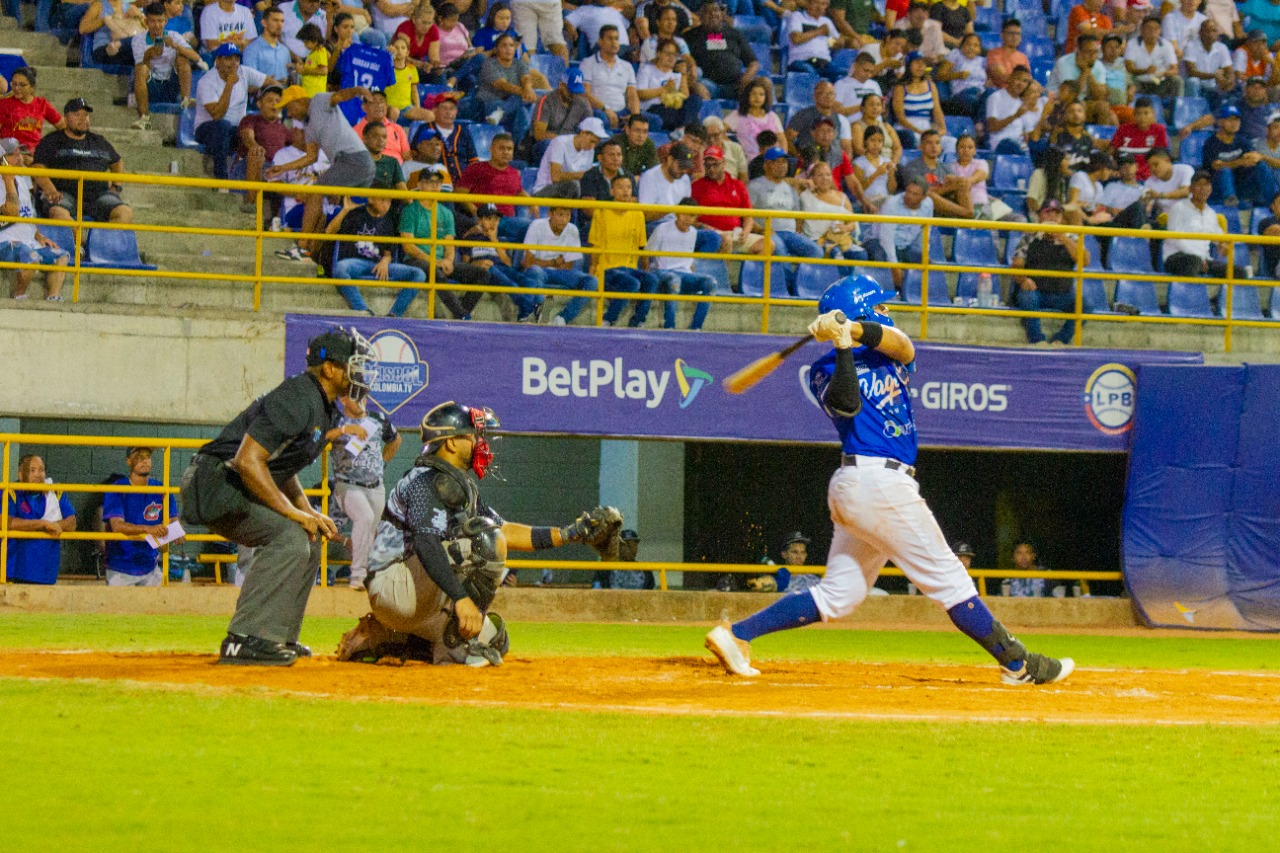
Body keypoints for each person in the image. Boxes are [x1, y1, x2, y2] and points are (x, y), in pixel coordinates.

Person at [704, 276, 1074, 686]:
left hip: (868, 487)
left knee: (839, 596)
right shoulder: (823, 369)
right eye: (877, 306)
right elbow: (846, 403)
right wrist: (842, 344)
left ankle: (736, 635)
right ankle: (1018, 664)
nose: (886, 310)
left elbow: (902, 343)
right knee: (949, 578)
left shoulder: (892, 353)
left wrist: (852, 328)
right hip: (873, 482)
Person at [334, 402, 617, 665]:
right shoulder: (426, 480)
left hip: (416, 590)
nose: (479, 442)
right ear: (450, 442)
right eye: (471, 436)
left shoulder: (457, 482)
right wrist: (462, 599)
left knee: (495, 637)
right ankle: (456, 647)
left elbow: (504, 531)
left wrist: (570, 534)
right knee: (484, 541)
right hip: (395, 583)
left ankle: (386, 639)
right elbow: (426, 542)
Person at [179, 326, 375, 665]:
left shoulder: (322, 405)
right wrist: (291, 513)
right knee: (288, 538)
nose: (360, 372)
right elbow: (248, 460)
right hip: (214, 481)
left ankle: (277, 634)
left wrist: (306, 511)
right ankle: (245, 638)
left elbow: (281, 467)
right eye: (353, 364)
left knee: (309, 538)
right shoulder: (299, 396)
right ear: (329, 368)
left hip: (232, 481)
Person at [268, 85, 377, 255]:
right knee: (321, 206)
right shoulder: (309, 127)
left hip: (353, 159)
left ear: (300, 101)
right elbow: (310, 157)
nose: (289, 114)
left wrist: (357, 90)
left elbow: (340, 96)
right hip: (352, 162)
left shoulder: (318, 100)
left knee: (316, 193)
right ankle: (308, 253)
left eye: (289, 107)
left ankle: (301, 246)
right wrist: (282, 168)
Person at [399, 166, 505, 319]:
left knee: (482, 275)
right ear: (420, 185)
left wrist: (448, 261)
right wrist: (436, 261)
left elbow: (449, 244)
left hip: (441, 261)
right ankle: (462, 315)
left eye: (437, 183)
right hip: (416, 260)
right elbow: (408, 247)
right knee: (436, 272)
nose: (435, 186)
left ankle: (460, 314)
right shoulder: (410, 211)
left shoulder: (446, 213)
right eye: (429, 182)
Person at [328, 397, 400, 591]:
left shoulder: (378, 418)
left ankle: (367, 574)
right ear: (343, 399)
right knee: (365, 517)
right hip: (347, 484)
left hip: (376, 485)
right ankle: (358, 575)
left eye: (363, 395)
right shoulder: (336, 419)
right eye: (355, 395)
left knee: (370, 530)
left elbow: (395, 440)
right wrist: (345, 431)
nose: (361, 400)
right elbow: (319, 437)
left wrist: (383, 463)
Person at [32, 99, 133, 225]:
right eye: (77, 115)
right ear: (66, 118)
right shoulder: (51, 140)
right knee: (58, 213)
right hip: (64, 194)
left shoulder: (99, 141)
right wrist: (50, 190)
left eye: (85, 115)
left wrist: (116, 186)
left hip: (98, 196)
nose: (83, 119)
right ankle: (80, 242)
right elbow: (38, 168)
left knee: (125, 213)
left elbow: (117, 162)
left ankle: (97, 242)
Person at [327, 194, 426, 314]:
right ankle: (363, 311)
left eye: (389, 201)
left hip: (379, 265)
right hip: (355, 264)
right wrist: (345, 210)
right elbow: (329, 232)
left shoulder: (389, 220)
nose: (386, 205)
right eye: (383, 200)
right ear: (371, 199)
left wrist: (385, 261)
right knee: (341, 268)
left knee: (418, 274)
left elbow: (388, 253)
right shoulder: (356, 213)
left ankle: (394, 314)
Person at [1010, 199, 1088, 345]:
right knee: (1027, 297)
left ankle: (1061, 339)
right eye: (1048, 213)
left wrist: (1063, 237)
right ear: (1040, 217)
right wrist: (1024, 279)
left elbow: (1084, 260)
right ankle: (1037, 340)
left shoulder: (1071, 238)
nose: (1052, 217)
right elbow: (1017, 264)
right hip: (1036, 292)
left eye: (1056, 214)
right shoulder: (1029, 237)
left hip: (1063, 293)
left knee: (1086, 305)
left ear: (1061, 218)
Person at [101, 447, 183, 587]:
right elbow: (117, 525)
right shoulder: (118, 488)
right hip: (121, 568)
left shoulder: (161, 489)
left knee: (155, 608)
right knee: (121, 609)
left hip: (150, 566)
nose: (144, 461)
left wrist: (178, 532)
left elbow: (173, 519)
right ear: (129, 461)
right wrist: (148, 529)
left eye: (148, 457)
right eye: (139, 457)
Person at [1, 138, 70, 302]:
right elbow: (12, 212)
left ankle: (53, 296)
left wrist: (39, 236)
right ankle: (19, 296)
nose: (20, 158)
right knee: (29, 256)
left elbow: (28, 214)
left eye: (20, 153)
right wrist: (8, 180)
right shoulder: (5, 182)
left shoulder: (22, 179)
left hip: (27, 239)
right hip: (5, 241)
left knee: (61, 255)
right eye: (14, 154)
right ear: (3, 159)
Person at [588, 175, 661, 326]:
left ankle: (637, 322)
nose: (625, 191)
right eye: (620, 187)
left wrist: (646, 271)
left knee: (651, 280)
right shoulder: (601, 212)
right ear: (612, 191)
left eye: (628, 187)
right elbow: (594, 247)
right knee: (632, 284)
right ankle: (607, 320)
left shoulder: (638, 213)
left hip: (630, 269)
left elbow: (642, 249)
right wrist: (593, 272)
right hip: (607, 269)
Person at [194, 43, 271, 182]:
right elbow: (217, 115)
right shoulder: (206, 82)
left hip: (235, 131)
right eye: (228, 59)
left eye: (236, 59)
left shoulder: (243, 72)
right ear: (217, 61)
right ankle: (221, 179)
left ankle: (263, 183)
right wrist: (229, 85)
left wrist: (264, 94)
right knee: (222, 125)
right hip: (207, 129)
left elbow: (271, 82)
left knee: (259, 129)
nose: (234, 63)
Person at [3, 455, 77, 585]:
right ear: (20, 475)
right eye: (32, 470)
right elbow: (7, 522)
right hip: (15, 571)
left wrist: (53, 525)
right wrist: (43, 524)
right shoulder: (11, 492)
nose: (38, 474)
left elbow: (72, 523)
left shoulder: (55, 491)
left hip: (46, 572)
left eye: (41, 470)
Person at [1163, 170, 1248, 283]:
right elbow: (1174, 239)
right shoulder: (1178, 208)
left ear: (1211, 189)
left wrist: (1222, 243)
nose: (1203, 189)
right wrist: (1198, 257)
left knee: (1240, 272)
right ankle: (1190, 299)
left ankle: (1215, 299)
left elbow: (1218, 236)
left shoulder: (1211, 213)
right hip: (1177, 257)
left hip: (1204, 260)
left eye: (1207, 185)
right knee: (1194, 262)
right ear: (1191, 189)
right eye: (1199, 185)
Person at [521, 205, 596, 325]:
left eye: (568, 215)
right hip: (540, 271)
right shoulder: (537, 225)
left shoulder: (572, 229)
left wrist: (543, 262)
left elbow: (568, 266)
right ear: (550, 214)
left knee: (592, 281)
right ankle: (541, 313)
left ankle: (562, 318)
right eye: (560, 215)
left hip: (561, 273)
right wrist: (554, 262)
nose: (564, 220)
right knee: (535, 271)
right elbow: (527, 263)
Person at [647, 197, 715, 330]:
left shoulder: (693, 232)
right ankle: (670, 326)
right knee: (674, 280)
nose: (688, 219)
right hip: (663, 272)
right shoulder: (662, 228)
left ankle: (696, 327)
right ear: (678, 213)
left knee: (711, 282)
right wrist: (649, 276)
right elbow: (647, 253)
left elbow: (688, 260)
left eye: (692, 215)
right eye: (685, 214)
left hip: (685, 273)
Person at [692, 145, 765, 255]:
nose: (711, 169)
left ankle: (746, 272)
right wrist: (705, 227)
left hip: (735, 233)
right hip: (711, 233)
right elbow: (691, 218)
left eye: (715, 164)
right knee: (727, 240)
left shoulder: (737, 185)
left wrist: (745, 232)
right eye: (707, 166)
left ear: (724, 162)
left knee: (767, 244)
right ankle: (723, 273)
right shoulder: (697, 186)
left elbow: (748, 216)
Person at [1203, 105, 1279, 207]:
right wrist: (1240, 162)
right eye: (1230, 120)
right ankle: (1230, 201)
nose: (1234, 123)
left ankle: (1272, 203)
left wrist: (1254, 158)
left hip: (1239, 186)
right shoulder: (1211, 143)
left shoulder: (1242, 141)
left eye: (1237, 120)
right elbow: (1216, 166)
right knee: (1225, 170)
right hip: (1216, 187)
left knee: (1261, 166)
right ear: (1220, 122)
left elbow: (1252, 156)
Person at [863, 179, 933, 288]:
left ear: (923, 197)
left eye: (915, 194)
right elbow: (886, 239)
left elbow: (925, 231)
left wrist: (923, 253)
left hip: (904, 245)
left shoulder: (928, 204)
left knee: (926, 262)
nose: (909, 196)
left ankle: (916, 297)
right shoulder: (892, 204)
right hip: (877, 241)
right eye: (908, 191)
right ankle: (885, 295)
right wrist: (894, 266)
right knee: (881, 258)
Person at [684, 2, 759, 100]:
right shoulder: (690, 36)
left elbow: (753, 62)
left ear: (722, 13)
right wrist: (693, 84)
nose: (713, 14)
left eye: (716, 10)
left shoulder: (735, 33)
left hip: (735, 85)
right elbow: (682, 62)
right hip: (708, 85)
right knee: (699, 88)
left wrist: (747, 77)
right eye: (707, 12)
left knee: (761, 84)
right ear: (700, 15)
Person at [237, 84, 289, 215]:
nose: (274, 104)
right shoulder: (250, 119)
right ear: (259, 104)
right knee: (256, 153)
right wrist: (255, 146)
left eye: (278, 101)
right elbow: (247, 136)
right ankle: (252, 205)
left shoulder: (283, 128)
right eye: (270, 100)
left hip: (275, 169)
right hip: (252, 165)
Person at [475, 33, 536, 141]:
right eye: (504, 45)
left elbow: (526, 79)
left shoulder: (520, 64)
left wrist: (528, 89)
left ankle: (515, 144)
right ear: (496, 49)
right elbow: (503, 85)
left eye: (511, 45)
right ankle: (518, 144)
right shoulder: (489, 64)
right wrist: (527, 93)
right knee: (521, 104)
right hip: (490, 103)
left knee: (521, 110)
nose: (508, 49)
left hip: (509, 109)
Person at [799, 160, 863, 259]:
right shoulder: (805, 196)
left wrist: (846, 228)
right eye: (820, 175)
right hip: (817, 240)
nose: (825, 178)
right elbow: (790, 183)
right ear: (812, 178)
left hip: (840, 238)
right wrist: (804, 182)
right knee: (836, 254)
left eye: (828, 175)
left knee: (861, 254)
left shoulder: (842, 196)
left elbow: (852, 222)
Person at [580, 25, 640, 131]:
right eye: (610, 38)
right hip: (599, 110)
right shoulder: (588, 63)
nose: (614, 42)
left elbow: (632, 95)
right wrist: (606, 109)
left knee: (653, 120)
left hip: (622, 111)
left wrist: (635, 116)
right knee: (602, 119)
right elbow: (585, 94)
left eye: (616, 39)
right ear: (600, 41)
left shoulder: (627, 66)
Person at [903, 129, 973, 218]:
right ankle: (968, 215)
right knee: (928, 195)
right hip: (923, 207)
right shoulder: (912, 167)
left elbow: (956, 187)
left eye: (937, 143)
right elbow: (919, 194)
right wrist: (948, 187)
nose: (934, 146)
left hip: (948, 207)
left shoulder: (946, 167)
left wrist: (961, 182)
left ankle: (967, 219)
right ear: (920, 146)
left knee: (962, 184)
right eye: (929, 143)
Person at [533, 117, 610, 197]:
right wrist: (582, 175)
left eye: (596, 143)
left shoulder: (590, 150)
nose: (593, 146)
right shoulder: (560, 142)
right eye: (592, 141)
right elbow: (555, 177)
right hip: (545, 190)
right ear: (583, 133)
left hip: (572, 190)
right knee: (573, 185)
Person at [637, 37, 702, 132]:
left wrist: (683, 75)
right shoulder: (647, 70)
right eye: (668, 54)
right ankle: (683, 128)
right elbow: (640, 94)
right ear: (659, 53)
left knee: (696, 99)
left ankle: (681, 128)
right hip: (654, 110)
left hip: (675, 110)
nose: (671, 57)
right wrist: (663, 89)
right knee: (694, 120)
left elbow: (685, 98)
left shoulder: (676, 74)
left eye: (674, 55)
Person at [1048, 34, 1115, 125]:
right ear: (1078, 51)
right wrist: (1084, 72)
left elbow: (1100, 95)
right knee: (1079, 107)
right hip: (1058, 104)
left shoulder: (1098, 65)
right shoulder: (1064, 63)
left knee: (1106, 110)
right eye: (1089, 52)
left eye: (1096, 52)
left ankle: (1100, 137)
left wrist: (1087, 71)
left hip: (1082, 102)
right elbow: (1071, 95)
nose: (1093, 56)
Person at [530, 69, 593, 163]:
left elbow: (590, 131)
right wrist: (567, 142)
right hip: (550, 143)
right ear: (561, 85)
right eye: (571, 91)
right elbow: (539, 134)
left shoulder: (583, 103)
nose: (574, 95)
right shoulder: (546, 101)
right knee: (547, 145)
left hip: (574, 144)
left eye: (577, 91)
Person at [891, 51, 947, 150]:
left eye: (923, 63)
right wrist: (919, 131)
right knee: (923, 143)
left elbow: (937, 111)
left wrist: (942, 128)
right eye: (917, 62)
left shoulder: (931, 86)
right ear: (908, 65)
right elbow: (900, 117)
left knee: (950, 143)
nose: (920, 66)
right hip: (907, 129)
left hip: (926, 128)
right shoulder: (900, 88)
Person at [0, 67, 64, 152]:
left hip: (35, 152)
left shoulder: (42, 104)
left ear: (32, 87)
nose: (16, 88)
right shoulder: (4, 103)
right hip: (11, 152)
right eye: (14, 84)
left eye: (22, 85)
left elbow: (63, 126)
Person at [985, 65, 1041, 155]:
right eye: (1018, 79)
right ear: (1010, 78)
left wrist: (1025, 134)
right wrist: (1015, 116)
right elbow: (992, 127)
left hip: (1019, 143)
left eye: (1025, 81)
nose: (1021, 84)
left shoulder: (1022, 101)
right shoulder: (995, 97)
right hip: (1001, 143)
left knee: (1042, 145)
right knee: (1015, 146)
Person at [1124, 15, 1182, 101]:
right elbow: (1129, 67)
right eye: (1149, 29)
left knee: (1176, 81)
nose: (1153, 32)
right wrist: (1145, 71)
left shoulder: (1166, 45)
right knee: (1126, 79)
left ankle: (1174, 110)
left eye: (1156, 29)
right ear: (1142, 30)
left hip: (1157, 81)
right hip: (1138, 81)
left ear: (1160, 30)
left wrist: (1163, 73)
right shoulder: (1132, 44)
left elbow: (1175, 69)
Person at [788, 80, 853, 156]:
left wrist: (844, 166)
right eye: (823, 93)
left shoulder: (841, 120)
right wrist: (799, 158)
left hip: (833, 163)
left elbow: (847, 148)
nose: (828, 97)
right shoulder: (803, 115)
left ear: (835, 96)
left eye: (831, 94)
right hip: (809, 162)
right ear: (815, 96)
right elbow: (787, 139)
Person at [1110, 96, 1168, 181]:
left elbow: (1160, 157)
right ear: (1134, 114)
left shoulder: (1159, 130)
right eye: (1138, 114)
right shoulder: (1124, 129)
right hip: (1124, 175)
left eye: (1146, 113)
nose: (1142, 117)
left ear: (1152, 113)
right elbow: (1111, 152)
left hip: (1148, 178)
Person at [637, 142, 695, 224]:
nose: (684, 170)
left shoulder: (685, 179)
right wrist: (670, 209)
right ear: (670, 159)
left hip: (679, 224)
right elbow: (645, 215)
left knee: (711, 236)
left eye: (686, 167)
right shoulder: (650, 177)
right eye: (681, 166)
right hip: (656, 224)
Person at [1183, 20, 1235, 105]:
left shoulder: (1222, 47)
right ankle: (1194, 108)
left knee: (1234, 84)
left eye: (1214, 31)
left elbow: (1229, 70)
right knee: (1193, 81)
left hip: (1214, 86)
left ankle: (1225, 112)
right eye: (1207, 31)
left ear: (1218, 34)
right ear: (1200, 33)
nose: (1211, 34)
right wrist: (1214, 76)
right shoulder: (1191, 46)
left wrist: (1228, 81)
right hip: (1198, 85)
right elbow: (1191, 72)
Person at [936, 33, 987, 119]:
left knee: (992, 95)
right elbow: (939, 75)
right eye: (968, 44)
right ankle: (979, 123)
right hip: (963, 93)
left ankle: (979, 123)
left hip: (981, 93)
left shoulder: (982, 61)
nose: (971, 48)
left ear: (979, 49)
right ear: (962, 45)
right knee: (976, 100)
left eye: (975, 45)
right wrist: (957, 75)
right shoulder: (956, 54)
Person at [788, 0, 842, 80]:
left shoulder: (826, 21)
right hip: (801, 60)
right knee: (810, 73)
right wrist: (819, 31)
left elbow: (839, 43)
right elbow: (796, 39)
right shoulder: (797, 16)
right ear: (808, 3)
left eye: (823, 4)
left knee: (841, 74)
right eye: (816, 2)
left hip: (824, 62)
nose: (820, 7)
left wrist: (829, 41)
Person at [352, 90, 411, 164]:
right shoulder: (355, 132)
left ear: (386, 106)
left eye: (382, 101)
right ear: (364, 107)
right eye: (373, 102)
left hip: (399, 169)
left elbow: (407, 156)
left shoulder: (397, 128)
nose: (379, 105)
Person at [243, 6, 292, 83]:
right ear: (264, 23)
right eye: (275, 20)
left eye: (282, 21)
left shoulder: (285, 50)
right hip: (262, 94)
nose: (280, 25)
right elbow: (248, 84)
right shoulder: (252, 50)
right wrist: (271, 82)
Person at [1142, 146, 1193, 217]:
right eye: (1150, 167)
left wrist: (1159, 195)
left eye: (1156, 164)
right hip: (1166, 220)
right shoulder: (1148, 183)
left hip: (1189, 216)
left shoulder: (1185, 170)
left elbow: (1186, 192)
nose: (1153, 169)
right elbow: (1147, 208)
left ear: (1167, 160)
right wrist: (1146, 203)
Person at [832, 53, 881, 125]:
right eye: (865, 70)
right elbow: (835, 111)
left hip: (876, 125)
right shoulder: (841, 84)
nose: (868, 75)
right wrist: (862, 107)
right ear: (855, 66)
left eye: (871, 72)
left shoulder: (874, 84)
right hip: (853, 126)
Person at [985, 17, 1028, 89]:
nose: (1015, 37)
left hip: (1019, 92)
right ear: (1002, 35)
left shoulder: (1023, 57)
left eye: (1018, 34)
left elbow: (1027, 79)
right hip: (1000, 93)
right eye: (1011, 33)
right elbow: (1002, 77)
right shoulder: (993, 54)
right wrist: (1021, 81)